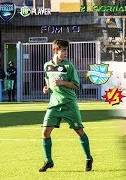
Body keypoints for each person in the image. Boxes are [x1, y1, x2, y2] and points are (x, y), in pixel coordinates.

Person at [39, 40, 93, 172]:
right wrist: (46, 89)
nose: (66, 53)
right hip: (54, 105)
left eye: (66, 50)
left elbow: (76, 85)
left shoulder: (69, 67)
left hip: (69, 104)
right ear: (55, 51)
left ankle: (88, 158)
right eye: (63, 50)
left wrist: (62, 82)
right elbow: (49, 84)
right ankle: (49, 161)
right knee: (45, 132)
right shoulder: (47, 66)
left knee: (79, 131)